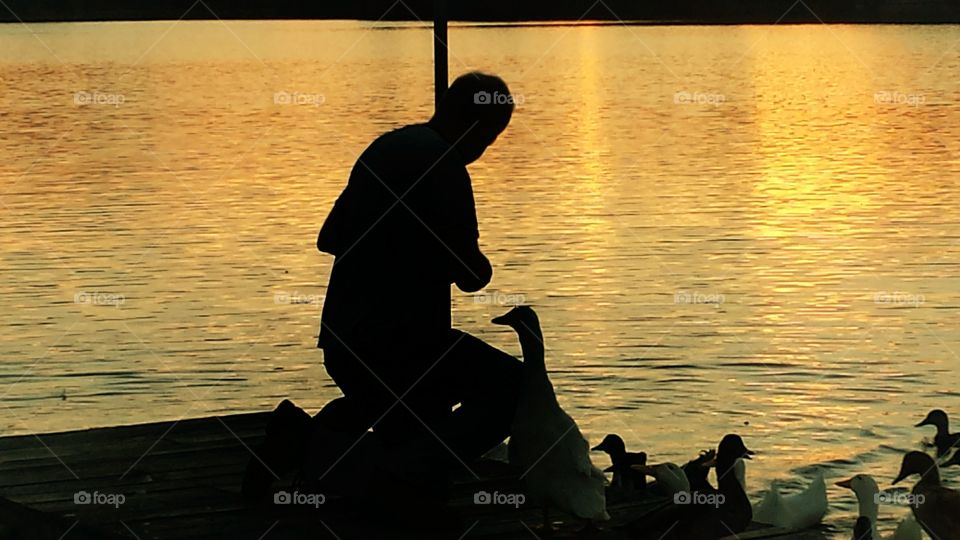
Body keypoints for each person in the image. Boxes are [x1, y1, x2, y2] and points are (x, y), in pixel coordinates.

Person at [242, 72, 522, 502]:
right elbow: (471, 276)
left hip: (345, 338)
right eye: (490, 139)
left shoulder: (387, 147)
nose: (484, 151)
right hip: (404, 344)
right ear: (481, 129)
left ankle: (303, 440)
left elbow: (329, 238)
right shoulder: (445, 166)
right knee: (515, 388)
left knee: (397, 410)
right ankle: (403, 472)